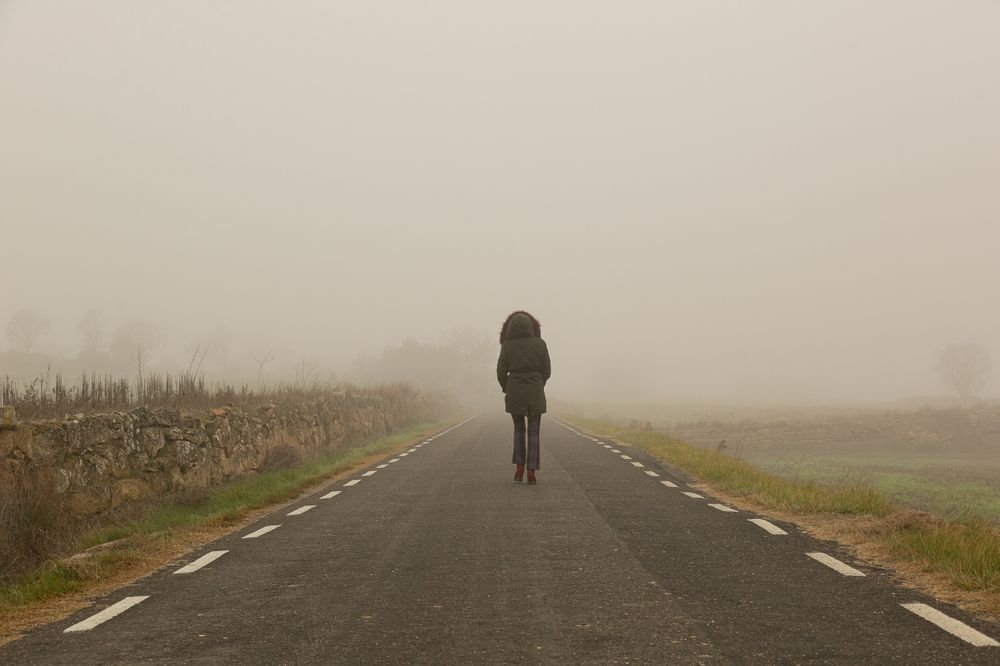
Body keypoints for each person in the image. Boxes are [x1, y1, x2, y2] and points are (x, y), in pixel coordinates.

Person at [496, 311, 551, 484]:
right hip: (535, 391)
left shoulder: (507, 345)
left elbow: (500, 371)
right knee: (534, 431)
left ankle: (519, 470)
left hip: (515, 391)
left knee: (518, 429)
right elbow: (547, 370)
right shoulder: (540, 344)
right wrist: (538, 384)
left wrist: (507, 387)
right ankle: (531, 472)